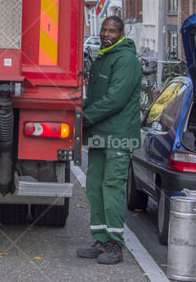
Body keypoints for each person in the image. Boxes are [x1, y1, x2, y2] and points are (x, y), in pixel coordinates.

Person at [76, 15, 142, 266]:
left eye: (112, 31)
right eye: (104, 29)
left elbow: (115, 100)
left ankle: (115, 244)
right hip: (100, 136)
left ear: (121, 34)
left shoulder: (126, 60)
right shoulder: (104, 56)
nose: (106, 34)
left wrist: (83, 119)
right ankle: (101, 239)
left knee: (112, 187)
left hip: (118, 137)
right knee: (94, 186)